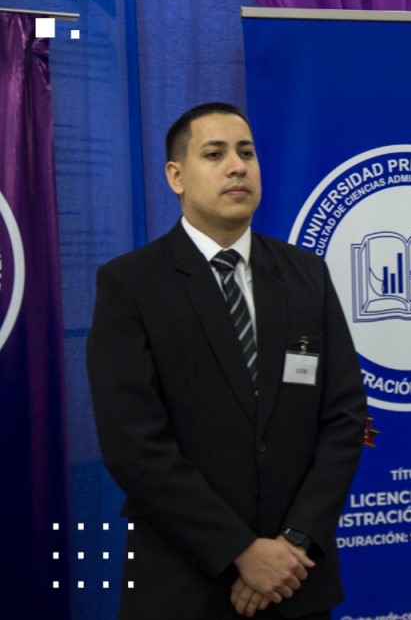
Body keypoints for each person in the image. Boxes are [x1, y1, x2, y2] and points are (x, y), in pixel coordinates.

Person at [87, 102, 367, 619]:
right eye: (214, 154)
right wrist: (240, 552)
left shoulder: (307, 276)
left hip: (295, 582)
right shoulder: (131, 285)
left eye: (246, 152)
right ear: (176, 176)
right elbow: (133, 444)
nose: (237, 166)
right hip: (182, 584)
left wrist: (293, 545)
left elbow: (345, 419)